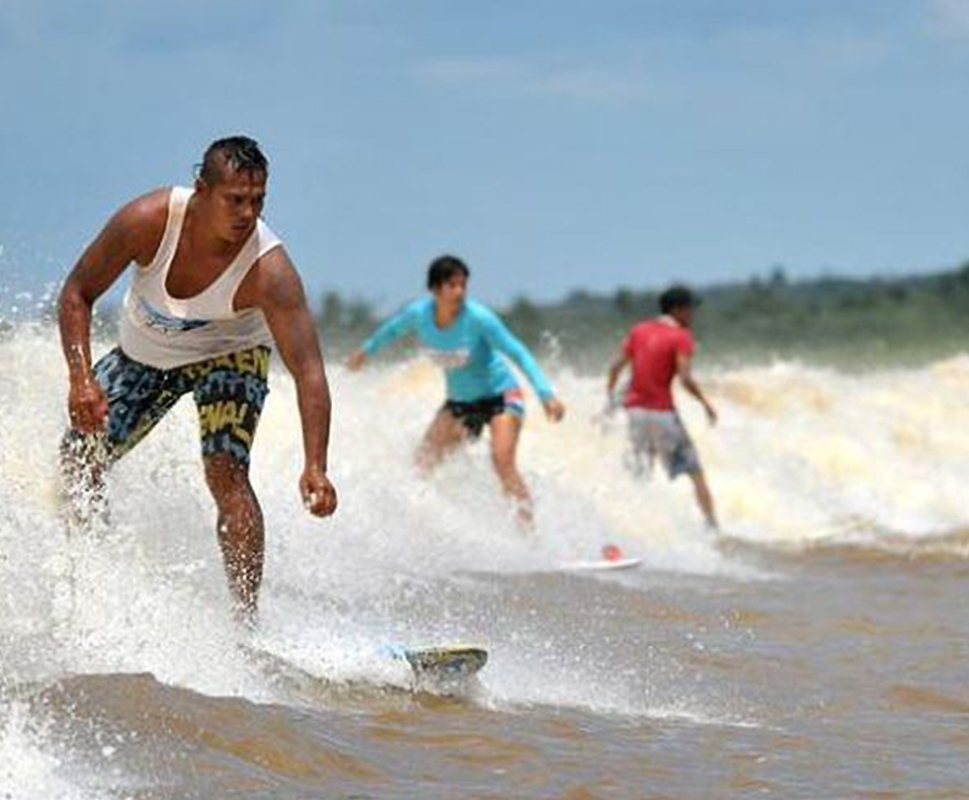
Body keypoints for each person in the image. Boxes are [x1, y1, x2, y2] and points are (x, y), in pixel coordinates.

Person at [57, 135, 338, 625]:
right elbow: (77, 293)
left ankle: (244, 625)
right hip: (144, 356)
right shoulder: (147, 222)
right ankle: (92, 575)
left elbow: (309, 371)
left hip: (230, 356)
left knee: (226, 471)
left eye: (258, 201)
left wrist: (316, 464)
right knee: (78, 455)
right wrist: (81, 379)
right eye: (235, 199)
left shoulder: (270, 271)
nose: (248, 213)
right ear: (201, 190)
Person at [346, 255, 565, 525]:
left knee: (502, 461)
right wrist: (364, 353)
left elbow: (516, 351)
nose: (460, 292)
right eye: (452, 285)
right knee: (421, 465)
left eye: (463, 285)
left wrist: (546, 394)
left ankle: (529, 535)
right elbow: (390, 332)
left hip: (502, 397)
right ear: (435, 289)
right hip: (460, 403)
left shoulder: (478, 318)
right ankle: (415, 527)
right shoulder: (419, 314)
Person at [606, 285, 719, 530]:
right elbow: (685, 378)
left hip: (634, 413)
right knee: (694, 470)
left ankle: (630, 527)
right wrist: (706, 404)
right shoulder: (681, 336)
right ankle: (713, 528)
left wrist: (609, 400)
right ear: (678, 310)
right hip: (662, 414)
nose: (692, 315)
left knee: (640, 474)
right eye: (690, 309)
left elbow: (615, 368)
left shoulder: (638, 331)